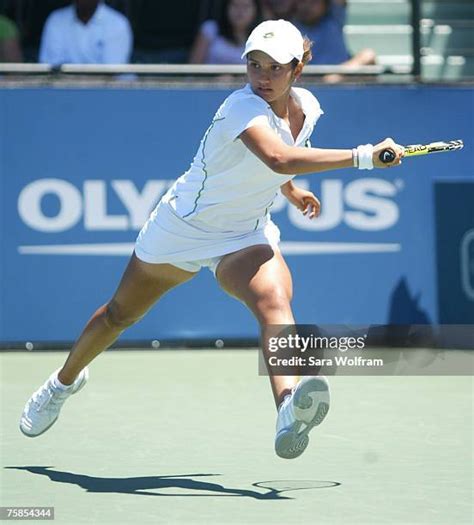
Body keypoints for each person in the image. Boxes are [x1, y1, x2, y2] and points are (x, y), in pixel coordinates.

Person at [20, 20, 403, 459]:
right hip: (184, 229)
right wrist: (362, 158)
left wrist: (291, 191)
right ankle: (62, 382)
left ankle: (287, 409)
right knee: (119, 316)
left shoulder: (309, 108)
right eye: (255, 64)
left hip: (244, 233)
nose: (262, 76)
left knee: (274, 302)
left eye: (275, 68)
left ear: (299, 69)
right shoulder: (240, 107)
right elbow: (276, 157)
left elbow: (277, 163)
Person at [293, 0, 376, 77]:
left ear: (324, 4)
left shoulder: (334, 18)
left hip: (342, 78)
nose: (308, 6)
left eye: (314, 1)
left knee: (368, 55)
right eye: (303, 1)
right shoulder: (290, 27)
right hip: (308, 82)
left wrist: (334, 77)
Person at [39, 0, 132, 65]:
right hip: (65, 90)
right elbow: (51, 68)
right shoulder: (56, 20)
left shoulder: (118, 23)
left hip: (111, 91)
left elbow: (112, 73)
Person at [189, 0, 261, 64]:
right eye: (235, 5)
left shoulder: (261, 36)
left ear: (256, 10)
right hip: (208, 79)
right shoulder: (210, 29)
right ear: (226, 7)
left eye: (246, 6)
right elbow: (193, 68)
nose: (240, 11)